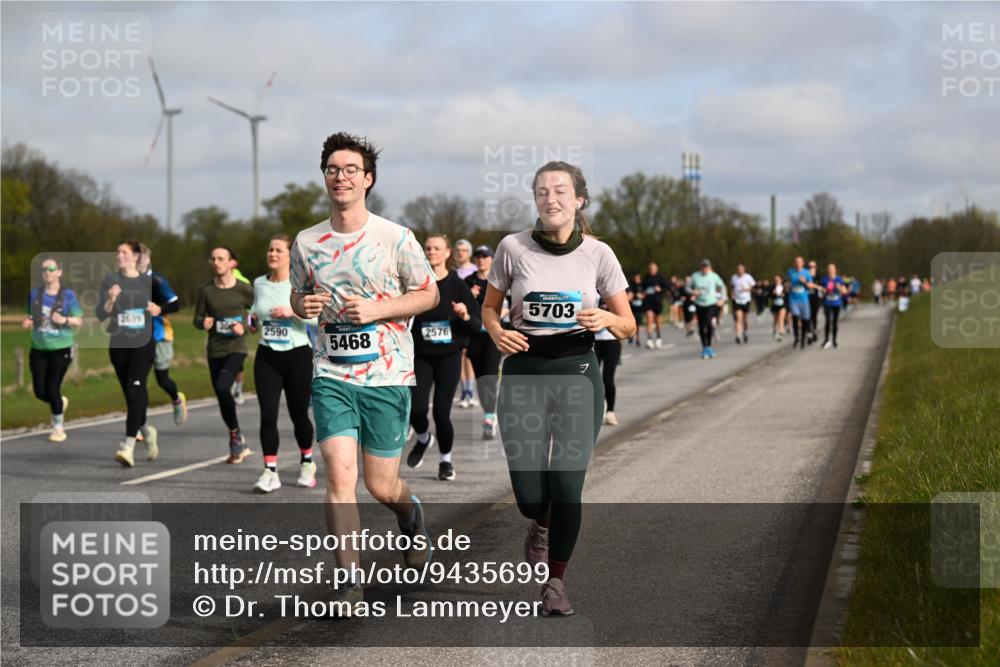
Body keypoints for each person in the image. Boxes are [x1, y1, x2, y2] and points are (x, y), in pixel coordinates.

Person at [290, 132, 439, 611]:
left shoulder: (395, 237)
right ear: (325, 177)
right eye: (333, 169)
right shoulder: (307, 241)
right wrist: (303, 303)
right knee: (338, 473)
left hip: (388, 375)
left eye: (351, 169)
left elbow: (428, 293)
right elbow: (297, 295)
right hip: (332, 372)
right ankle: (351, 580)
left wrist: (376, 311)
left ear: (368, 179)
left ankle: (409, 512)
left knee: (380, 485)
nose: (341, 176)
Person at [482, 160, 635, 616]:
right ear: (535, 200)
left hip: (577, 371)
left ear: (579, 200)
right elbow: (489, 309)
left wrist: (607, 318)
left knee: (568, 484)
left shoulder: (598, 254)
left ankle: (555, 583)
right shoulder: (512, 248)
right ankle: (541, 522)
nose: (551, 198)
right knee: (531, 497)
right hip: (525, 372)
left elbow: (627, 323)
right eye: (543, 191)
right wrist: (496, 332)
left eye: (561, 191)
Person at [405, 234, 481, 481]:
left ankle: (445, 461)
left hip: (449, 356)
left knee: (441, 412)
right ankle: (424, 438)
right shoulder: (416, 283)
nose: (432, 252)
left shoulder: (458, 285)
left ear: (448, 253)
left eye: (437, 248)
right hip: (421, 355)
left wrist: (464, 315)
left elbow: (476, 323)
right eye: (428, 248)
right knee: (416, 410)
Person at [249, 234, 318, 493]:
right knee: (268, 414)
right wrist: (250, 320)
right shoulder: (259, 283)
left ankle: (307, 462)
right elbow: (255, 311)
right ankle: (270, 471)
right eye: (270, 249)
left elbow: (317, 319)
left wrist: (294, 311)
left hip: (297, 355)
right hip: (267, 355)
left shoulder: (300, 284)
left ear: (290, 256)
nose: (273, 254)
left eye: (278, 250)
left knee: (298, 414)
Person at [97, 240, 162, 466]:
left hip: (143, 346)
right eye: (117, 252)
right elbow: (100, 314)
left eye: (124, 252)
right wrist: (111, 299)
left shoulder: (148, 281)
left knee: (135, 390)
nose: (119, 255)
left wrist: (157, 308)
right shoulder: (110, 280)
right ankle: (146, 429)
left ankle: (128, 446)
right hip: (118, 345)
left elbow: (167, 305)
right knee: (132, 394)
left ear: (135, 256)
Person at [194, 246, 255, 464]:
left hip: (236, 349)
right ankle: (236, 433)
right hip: (214, 350)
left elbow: (258, 313)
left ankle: (235, 436)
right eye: (213, 259)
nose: (217, 262)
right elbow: (197, 318)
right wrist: (204, 322)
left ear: (231, 262)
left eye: (221, 258)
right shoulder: (206, 291)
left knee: (222, 386)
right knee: (221, 395)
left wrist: (245, 326)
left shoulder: (244, 289)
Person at [23, 257, 84, 442]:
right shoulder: (34, 294)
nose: (47, 272)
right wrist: (28, 321)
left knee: (52, 386)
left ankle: (58, 427)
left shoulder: (68, 295)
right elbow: (31, 315)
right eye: (44, 270)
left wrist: (65, 320)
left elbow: (79, 320)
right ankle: (58, 403)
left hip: (61, 347)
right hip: (39, 348)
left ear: (59, 272)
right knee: (40, 391)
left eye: (51, 269)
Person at [137, 244, 188, 425]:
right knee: (138, 382)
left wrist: (159, 308)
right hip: (138, 338)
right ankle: (138, 425)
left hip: (160, 335)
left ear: (148, 259)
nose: (138, 259)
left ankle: (176, 399)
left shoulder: (157, 280)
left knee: (162, 379)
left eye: (142, 256)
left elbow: (175, 304)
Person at [465, 245, 504, 438]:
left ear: (491, 259)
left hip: (492, 336)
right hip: (474, 336)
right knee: (481, 379)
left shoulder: (498, 280)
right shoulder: (467, 281)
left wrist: (494, 321)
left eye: (485, 257)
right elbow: (458, 306)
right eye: (478, 257)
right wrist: (468, 296)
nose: (481, 260)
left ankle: (489, 418)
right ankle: (489, 411)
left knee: (489, 375)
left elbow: (509, 306)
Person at [453, 239, 478, 409]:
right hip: (456, 319)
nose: (461, 253)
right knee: (461, 355)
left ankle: (471, 391)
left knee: (470, 355)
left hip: (471, 318)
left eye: (464, 250)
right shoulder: (452, 272)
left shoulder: (476, 271)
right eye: (458, 250)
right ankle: (464, 392)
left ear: (469, 252)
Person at [690, 259, 727, 359]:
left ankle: (709, 346)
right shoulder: (695, 276)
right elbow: (687, 287)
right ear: (700, 267)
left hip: (711, 303)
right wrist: (693, 291)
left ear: (710, 267)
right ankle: (705, 348)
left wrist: (722, 299)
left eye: (706, 266)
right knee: (701, 327)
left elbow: (722, 286)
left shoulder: (714, 276)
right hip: (699, 303)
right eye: (703, 266)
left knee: (708, 324)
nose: (705, 268)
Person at [594, 298, 622, 426]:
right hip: (593, 340)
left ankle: (611, 411)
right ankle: (599, 406)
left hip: (612, 340)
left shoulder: (611, 292)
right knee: (593, 379)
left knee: (608, 378)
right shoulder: (589, 290)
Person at [786, 256, 816, 350]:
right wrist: (787, 286)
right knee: (795, 317)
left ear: (802, 263)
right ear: (794, 263)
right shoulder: (790, 272)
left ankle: (803, 339)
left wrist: (805, 281)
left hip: (804, 299)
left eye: (799, 262)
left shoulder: (806, 273)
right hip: (793, 299)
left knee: (805, 320)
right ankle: (796, 338)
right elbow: (787, 282)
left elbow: (811, 286)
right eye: (796, 262)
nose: (798, 264)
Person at [819, 263, 848, 349]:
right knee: (827, 321)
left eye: (832, 269)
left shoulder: (839, 279)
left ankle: (834, 340)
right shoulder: (824, 279)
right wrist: (823, 291)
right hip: (827, 303)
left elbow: (845, 292)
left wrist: (839, 287)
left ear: (835, 270)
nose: (831, 270)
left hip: (836, 303)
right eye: (829, 269)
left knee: (835, 322)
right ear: (827, 270)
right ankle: (826, 340)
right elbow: (821, 291)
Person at [641, 262, 668, 348]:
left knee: (657, 321)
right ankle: (649, 339)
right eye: (650, 269)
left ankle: (659, 337)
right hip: (648, 302)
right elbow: (642, 288)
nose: (652, 270)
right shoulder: (646, 277)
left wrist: (660, 289)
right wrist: (643, 293)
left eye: (653, 268)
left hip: (657, 302)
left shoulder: (661, 277)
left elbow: (667, 287)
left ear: (656, 269)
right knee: (649, 319)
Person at [730, 264, 756, 345]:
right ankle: (738, 336)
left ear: (744, 270)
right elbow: (732, 287)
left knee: (745, 319)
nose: (740, 271)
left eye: (741, 269)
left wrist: (747, 289)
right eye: (738, 269)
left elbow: (753, 286)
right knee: (738, 318)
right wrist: (732, 296)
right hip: (737, 300)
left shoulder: (748, 277)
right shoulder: (733, 277)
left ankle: (745, 332)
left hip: (746, 300)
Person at [626, 273, 645, 347]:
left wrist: (641, 296)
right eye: (635, 278)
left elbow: (645, 294)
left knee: (639, 324)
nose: (637, 279)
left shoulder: (642, 285)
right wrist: (633, 295)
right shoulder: (631, 286)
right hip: (632, 308)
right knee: (633, 324)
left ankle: (638, 339)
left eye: (638, 278)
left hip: (640, 308)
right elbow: (629, 295)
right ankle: (631, 335)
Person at [770, 275, 787, 341]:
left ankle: (781, 332)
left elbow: (787, 294)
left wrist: (783, 295)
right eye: (775, 280)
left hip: (782, 305)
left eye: (778, 280)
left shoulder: (784, 287)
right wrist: (773, 293)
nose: (776, 281)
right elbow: (769, 296)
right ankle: (775, 330)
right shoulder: (772, 287)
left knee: (781, 318)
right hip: (775, 305)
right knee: (775, 319)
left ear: (781, 280)